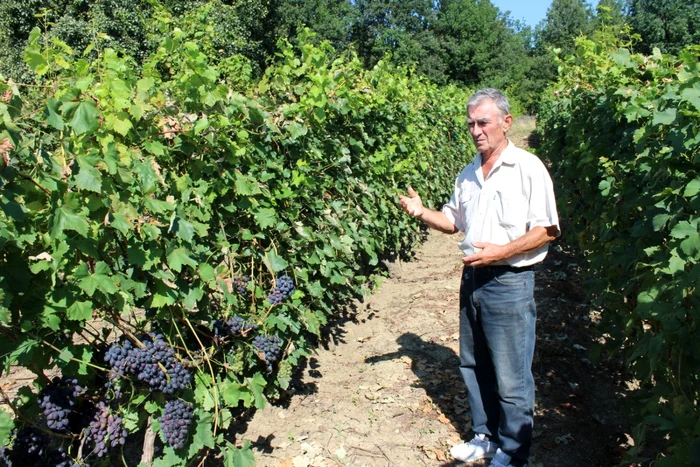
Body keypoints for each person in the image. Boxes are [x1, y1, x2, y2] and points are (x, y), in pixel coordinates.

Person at [398, 88, 560, 467]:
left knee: (512, 375)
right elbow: (454, 222)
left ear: (506, 122)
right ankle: (485, 437)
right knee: (474, 365)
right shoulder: (468, 173)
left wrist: (500, 252)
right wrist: (421, 212)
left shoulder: (528, 168)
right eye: (470, 123)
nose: (475, 130)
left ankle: (514, 451)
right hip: (472, 281)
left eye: (482, 122)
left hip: (509, 281)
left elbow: (547, 230)